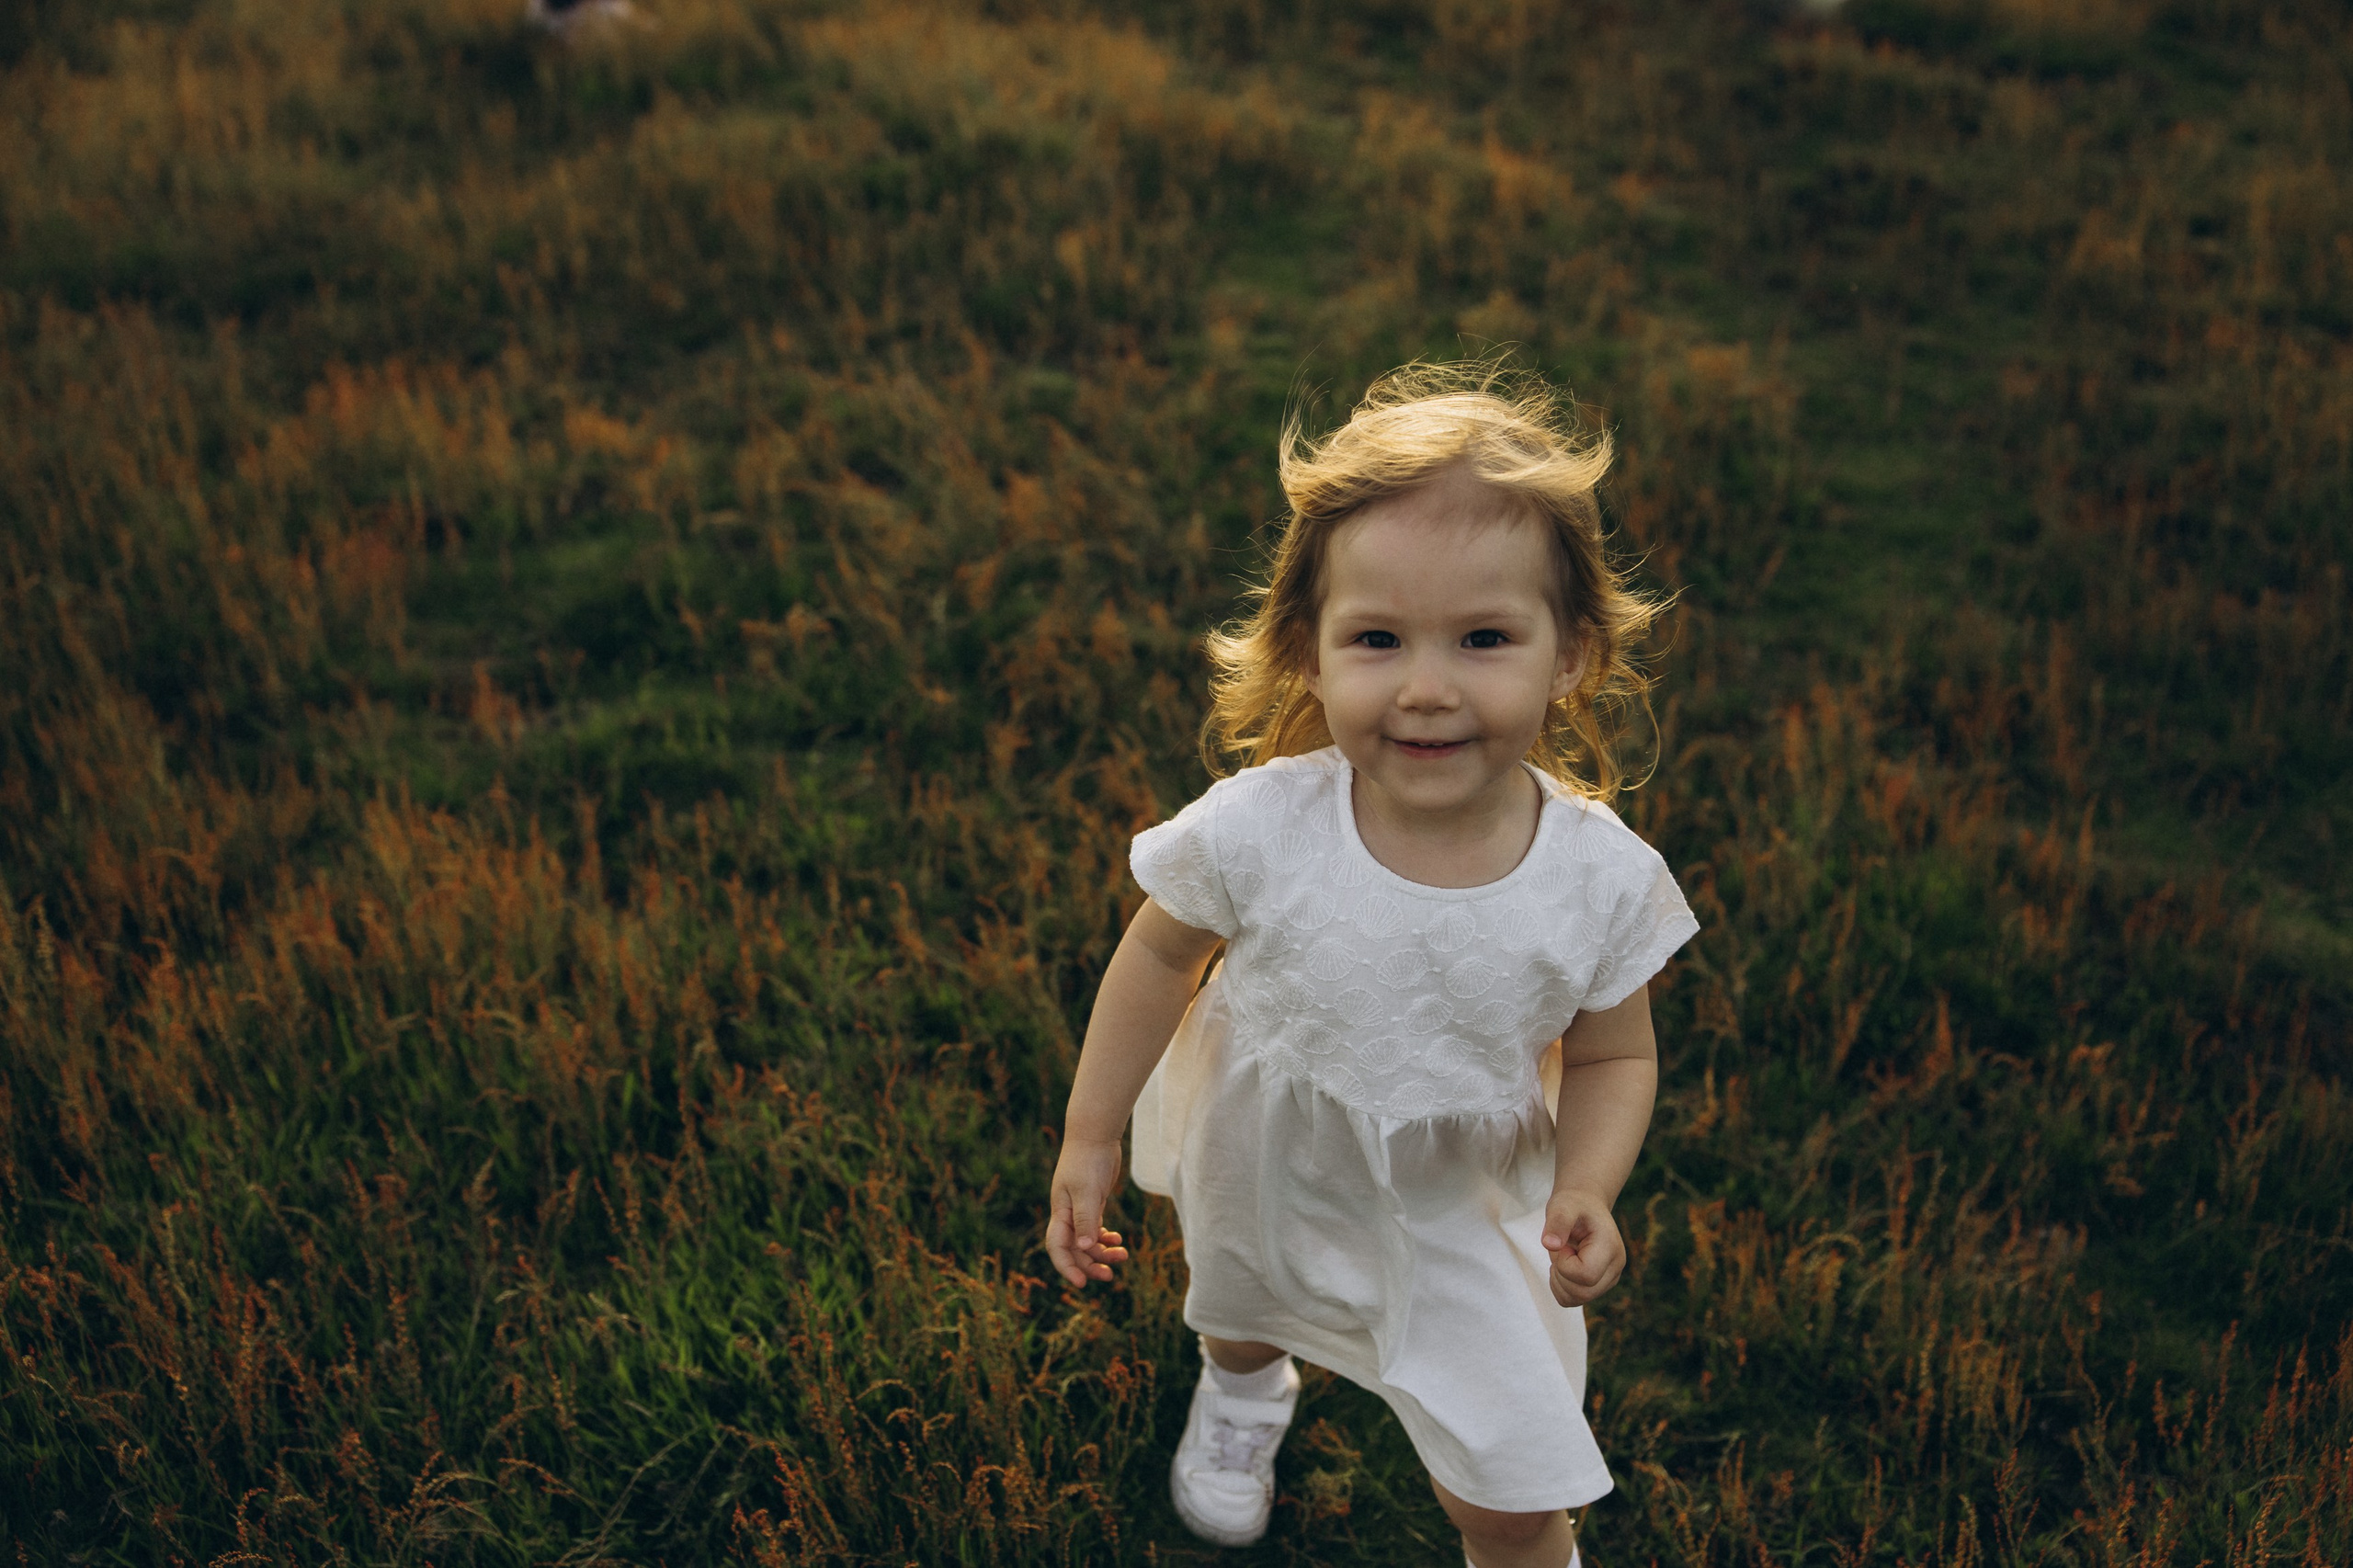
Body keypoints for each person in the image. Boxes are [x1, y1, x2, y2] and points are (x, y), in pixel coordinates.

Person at [1044, 362, 1698, 1568]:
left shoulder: (1596, 876)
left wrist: (1591, 1183)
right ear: (1309, 648)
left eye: (1484, 638)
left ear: (1570, 653)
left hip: (1469, 1208)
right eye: (1379, 639)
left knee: (1508, 1492)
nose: (1428, 687)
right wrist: (1091, 1134)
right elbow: (1157, 955)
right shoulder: (1261, 827)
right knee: (1243, 1303)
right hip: (1270, 1154)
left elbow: (1615, 1053)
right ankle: (1245, 1391)